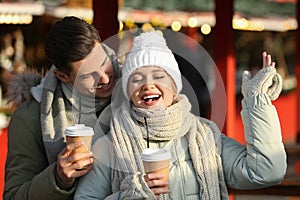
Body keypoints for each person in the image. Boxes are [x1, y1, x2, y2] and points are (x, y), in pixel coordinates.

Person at [74, 31, 286, 199]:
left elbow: (267, 171)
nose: (148, 84)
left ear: (175, 87)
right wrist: (129, 194)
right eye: (137, 78)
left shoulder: (207, 136)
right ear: (129, 92)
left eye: (159, 76)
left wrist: (257, 101)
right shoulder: (108, 146)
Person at [4, 16, 119, 200]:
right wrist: (58, 178)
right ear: (63, 76)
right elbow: (13, 195)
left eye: (104, 63)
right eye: (88, 75)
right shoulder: (31, 116)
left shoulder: (135, 88)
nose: (104, 79)